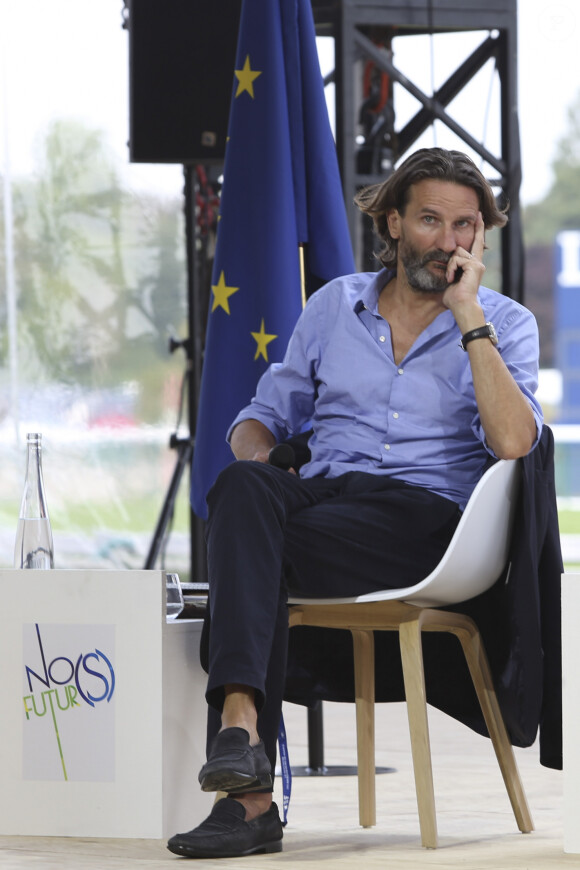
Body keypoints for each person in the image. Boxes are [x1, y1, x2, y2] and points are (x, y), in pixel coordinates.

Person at [167, 147, 543, 859]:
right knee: (242, 488)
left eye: (465, 225)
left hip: (425, 520)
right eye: (431, 220)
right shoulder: (333, 305)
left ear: (481, 237)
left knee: (248, 546)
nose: (448, 240)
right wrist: (260, 470)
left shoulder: (504, 324)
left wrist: (468, 318)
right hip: (324, 499)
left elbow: (515, 443)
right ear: (395, 223)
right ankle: (243, 746)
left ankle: (244, 782)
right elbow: (257, 422)